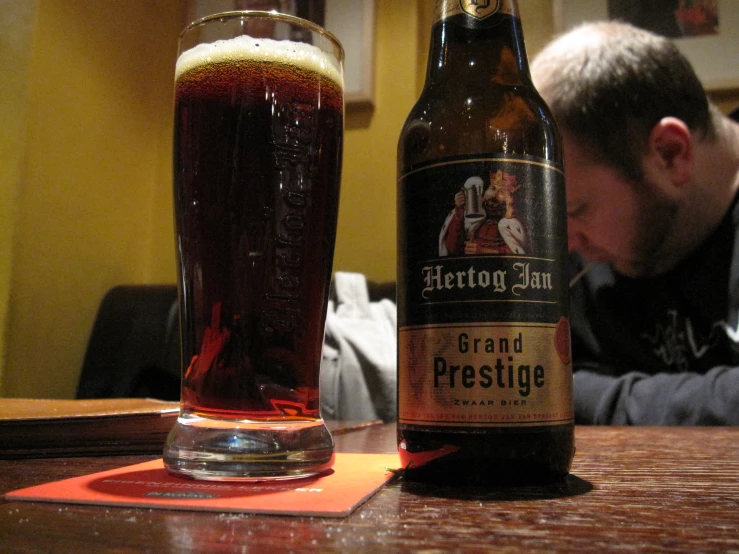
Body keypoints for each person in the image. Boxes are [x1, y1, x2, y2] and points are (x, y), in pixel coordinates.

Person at [530, 21, 739, 424]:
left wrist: (603, 401)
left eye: (575, 211)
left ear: (669, 154)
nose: (567, 242)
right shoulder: (592, 248)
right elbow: (544, 378)